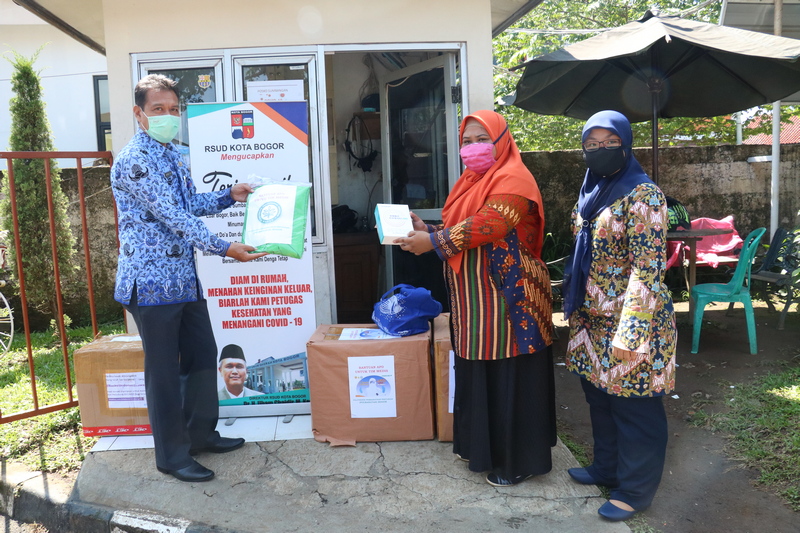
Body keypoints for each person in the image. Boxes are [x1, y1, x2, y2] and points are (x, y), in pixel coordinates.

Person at [112, 74, 268, 483]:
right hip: (150, 284)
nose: (168, 116)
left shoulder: (172, 154)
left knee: (202, 356)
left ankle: (200, 434)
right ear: (139, 114)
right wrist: (225, 248)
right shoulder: (135, 160)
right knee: (164, 372)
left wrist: (229, 195)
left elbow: (190, 204)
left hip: (183, 279)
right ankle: (172, 456)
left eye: (173, 109)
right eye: (158, 109)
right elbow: (173, 216)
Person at [394, 110, 555, 487]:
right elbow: (463, 226)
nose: (473, 147)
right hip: (474, 301)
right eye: (466, 141)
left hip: (511, 301)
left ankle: (517, 461)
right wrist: (427, 229)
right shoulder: (470, 182)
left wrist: (434, 241)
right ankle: (482, 449)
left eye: (483, 139)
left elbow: (491, 224)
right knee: (480, 374)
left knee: (509, 376)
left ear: (501, 141)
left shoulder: (515, 178)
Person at [561, 110, 676, 521]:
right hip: (592, 320)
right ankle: (606, 468)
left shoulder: (644, 196)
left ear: (626, 145)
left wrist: (632, 332)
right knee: (600, 400)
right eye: (592, 145)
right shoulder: (591, 192)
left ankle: (635, 491)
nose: (601, 150)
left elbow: (648, 269)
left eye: (610, 143)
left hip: (631, 321)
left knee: (635, 408)